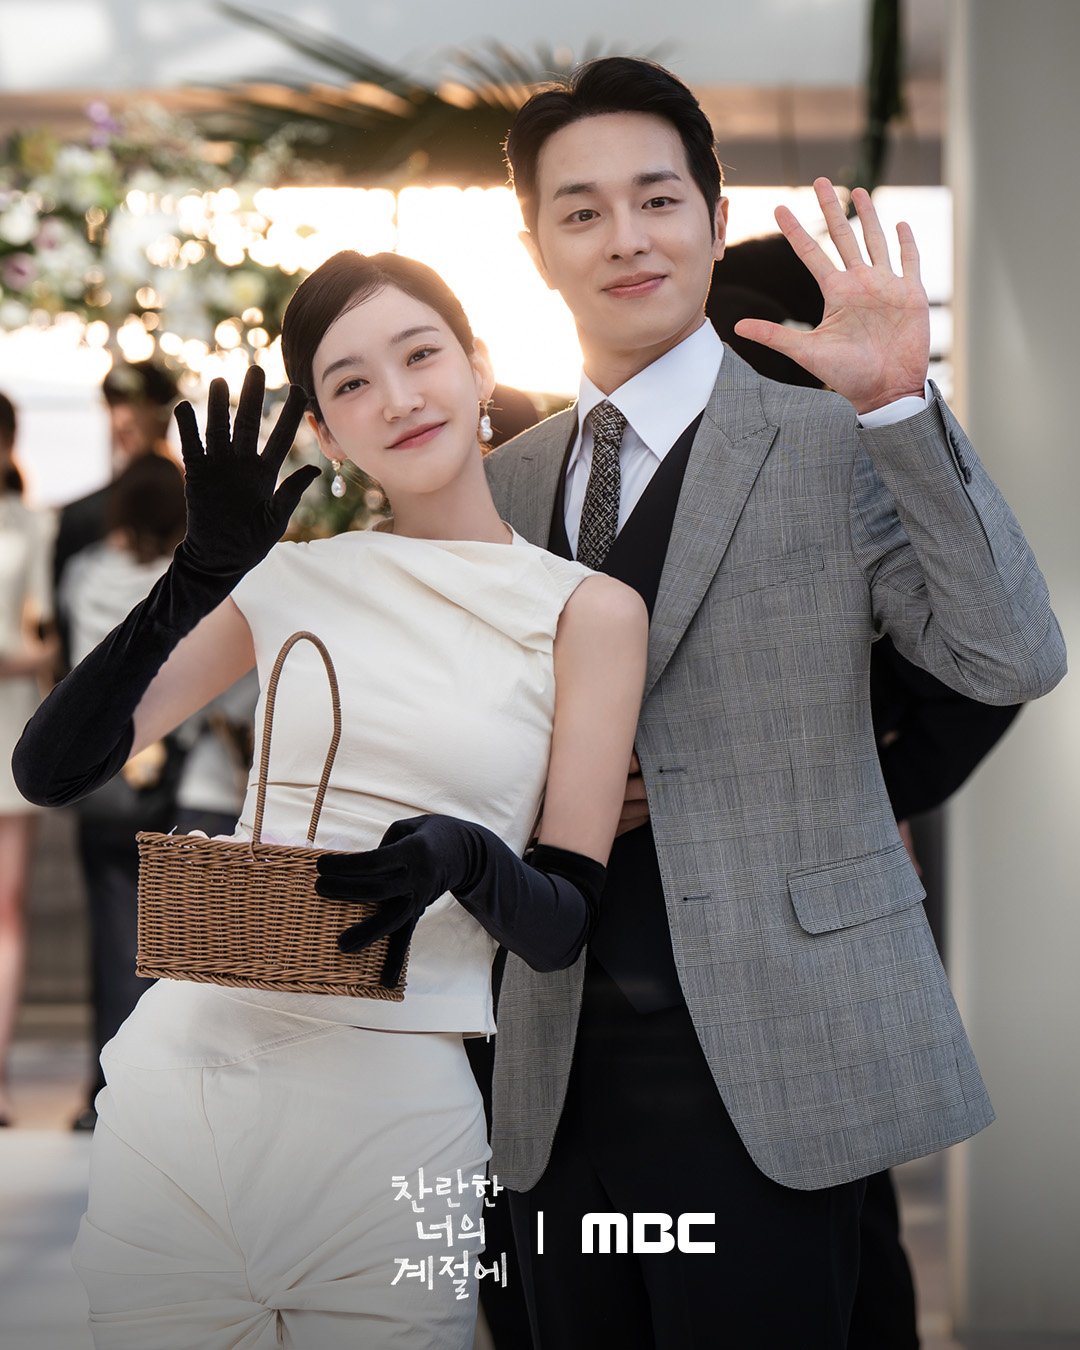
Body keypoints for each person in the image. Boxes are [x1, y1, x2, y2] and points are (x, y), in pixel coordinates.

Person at [482, 56, 1066, 1349]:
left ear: (711, 214)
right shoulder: (506, 483)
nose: (626, 237)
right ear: (536, 251)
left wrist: (902, 405)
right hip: (550, 1056)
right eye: (582, 211)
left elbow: (1011, 657)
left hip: (774, 1043)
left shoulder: (833, 436)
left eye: (657, 199)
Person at [12, 249, 647, 1349]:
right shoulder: (293, 578)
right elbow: (52, 767)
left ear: (479, 365)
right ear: (322, 428)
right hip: (193, 1080)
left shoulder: (586, 612)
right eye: (351, 382)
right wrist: (197, 576)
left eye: (420, 355)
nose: (397, 398)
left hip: (400, 1112)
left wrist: (466, 857)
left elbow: (562, 927)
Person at [57, 454, 190, 1131]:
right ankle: (161, 1094)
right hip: (180, 778)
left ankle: (103, 1089)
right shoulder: (185, 583)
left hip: (104, 778)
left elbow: (77, 669)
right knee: (176, 951)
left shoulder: (85, 575)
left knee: (112, 942)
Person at [0, 390, 57, 1127]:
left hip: (10, 717)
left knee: (7, 907)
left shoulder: (32, 525)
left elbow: (43, 636)